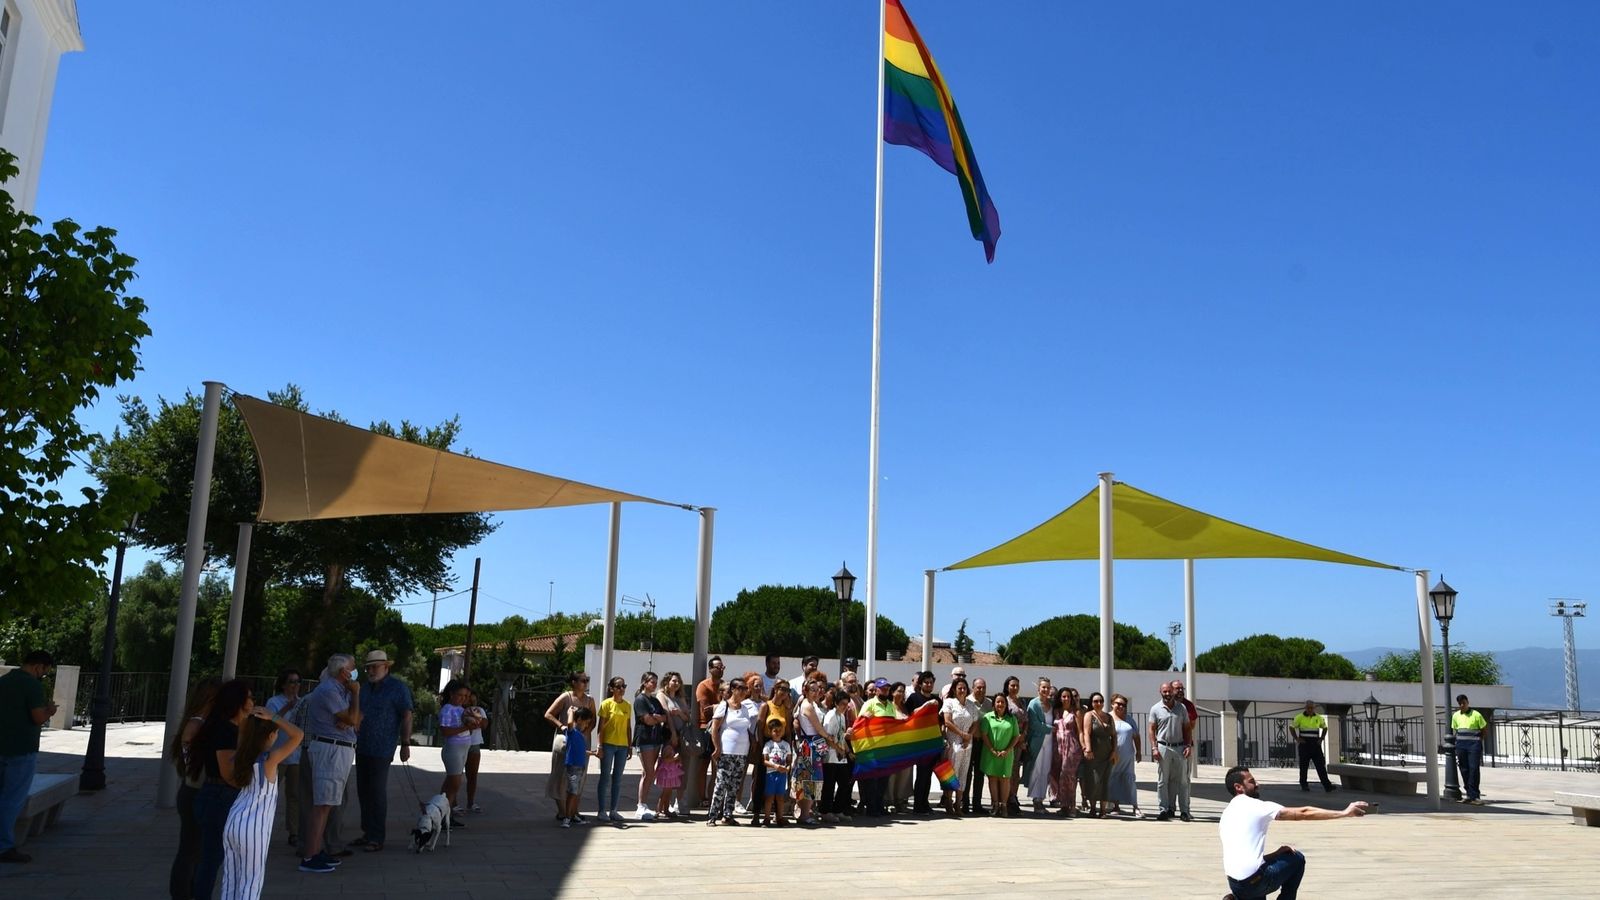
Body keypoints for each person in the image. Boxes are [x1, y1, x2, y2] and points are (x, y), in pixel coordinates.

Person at [1219, 766, 1368, 899]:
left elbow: (1243, 858)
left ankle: (1237, 897)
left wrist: (1276, 854)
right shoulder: (1255, 806)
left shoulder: (1226, 814)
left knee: (1258, 881)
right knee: (1296, 858)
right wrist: (1344, 813)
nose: (1258, 784)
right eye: (1252, 781)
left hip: (1235, 883)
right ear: (1238, 787)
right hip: (1255, 883)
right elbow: (1303, 812)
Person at [220, 703, 303, 899]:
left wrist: (252, 720)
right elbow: (297, 735)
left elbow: (244, 734)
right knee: (251, 882)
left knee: (231, 879)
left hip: (232, 822)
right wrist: (274, 717)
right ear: (271, 736)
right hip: (253, 829)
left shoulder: (241, 756)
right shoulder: (269, 760)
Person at [188, 678, 254, 894]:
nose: (253, 701)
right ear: (239, 701)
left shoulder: (231, 727)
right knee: (211, 858)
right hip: (219, 796)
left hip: (218, 795)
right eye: (249, 697)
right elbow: (228, 773)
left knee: (211, 856)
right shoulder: (225, 730)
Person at [299, 653, 361, 874]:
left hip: (338, 749)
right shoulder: (328, 690)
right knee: (323, 805)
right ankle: (310, 855)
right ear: (343, 671)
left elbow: (355, 719)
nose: (355, 671)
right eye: (352, 668)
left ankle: (316, 850)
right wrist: (356, 695)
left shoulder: (338, 691)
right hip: (331, 750)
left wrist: (350, 717)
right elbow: (353, 719)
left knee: (327, 804)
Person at [351, 650, 412, 852]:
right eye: (368, 667)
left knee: (376, 792)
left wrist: (405, 743)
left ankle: (377, 837)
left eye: (375, 666)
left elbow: (407, 715)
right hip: (362, 747)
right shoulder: (365, 689)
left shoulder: (397, 688)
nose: (370, 670)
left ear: (386, 667)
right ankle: (367, 832)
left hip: (382, 748)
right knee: (363, 791)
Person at [0, 651, 58, 864]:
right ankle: (4, 846)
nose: (43, 675)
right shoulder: (32, 686)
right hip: (22, 749)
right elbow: (37, 717)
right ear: (38, 667)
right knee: (11, 800)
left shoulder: (4, 681)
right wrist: (50, 711)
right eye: (44, 671)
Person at [168, 677, 221, 897]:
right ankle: (182, 894)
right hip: (195, 791)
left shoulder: (199, 722)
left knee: (195, 850)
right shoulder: (198, 724)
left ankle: (189, 891)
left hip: (194, 790)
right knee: (190, 850)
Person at [543, 672, 595, 823]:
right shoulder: (566, 697)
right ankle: (562, 811)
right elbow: (548, 714)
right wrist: (563, 726)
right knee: (560, 776)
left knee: (580, 777)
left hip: (581, 742)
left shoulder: (590, 700)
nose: (585, 683)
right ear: (573, 682)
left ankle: (573, 812)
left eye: (587, 680)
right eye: (582, 680)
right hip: (564, 741)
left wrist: (585, 732)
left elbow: (593, 720)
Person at [707, 677, 759, 826]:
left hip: (741, 751)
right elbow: (715, 729)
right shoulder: (724, 706)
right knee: (722, 783)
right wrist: (717, 748)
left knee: (734, 784)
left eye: (745, 689)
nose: (744, 692)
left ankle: (728, 814)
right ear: (733, 690)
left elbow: (747, 728)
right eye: (741, 688)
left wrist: (752, 741)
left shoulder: (744, 708)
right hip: (727, 750)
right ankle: (713, 815)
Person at [262, 671, 302, 850]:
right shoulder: (273, 702)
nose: (295, 685)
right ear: (283, 684)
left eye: (298, 682)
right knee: (268, 794)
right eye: (291, 681)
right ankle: (262, 828)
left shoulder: (302, 703)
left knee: (294, 795)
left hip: (295, 755)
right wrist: (287, 707)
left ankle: (294, 832)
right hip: (276, 755)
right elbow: (269, 724)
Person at [855, 678, 901, 817]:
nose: (885, 690)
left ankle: (879, 806)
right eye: (882, 688)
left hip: (886, 748)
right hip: (873, 748)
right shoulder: (869, 704)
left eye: (887, 688)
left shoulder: (891, 706)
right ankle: (871, 807)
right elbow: (859, 723)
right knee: (872, 780)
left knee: (883, 780)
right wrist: (866, 718)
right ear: (876, 690)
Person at [1149, 681, 1194, 822]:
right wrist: (1154, 747)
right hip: (1163, 747)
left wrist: (1188, 745)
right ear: (1160, 692)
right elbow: (1151, 729)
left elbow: (1187, 728)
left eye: (1169, 691)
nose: (1167, 694)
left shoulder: (1181, 708)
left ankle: (1185, 811)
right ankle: (1164, 809)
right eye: (1165, 692)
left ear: (1173, 692)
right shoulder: (1155, 709)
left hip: (1180, 747)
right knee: (1163, 780)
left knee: (1182, 781)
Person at [595, 675, 634, 823]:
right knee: (605, 777)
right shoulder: (606, 704)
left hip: (623, 745)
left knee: (617, 779)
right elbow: (601, 728)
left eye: (624, 686)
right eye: (618, 686)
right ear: (612, 688)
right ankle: (601, 810)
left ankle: (614, 810)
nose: (622, 689)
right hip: (608, 744)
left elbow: (628, 728)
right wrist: (600, 745)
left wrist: (630, 746)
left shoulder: (627, 705)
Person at [436, 681, 475, 829]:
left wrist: (472, 724)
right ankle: (444, 815)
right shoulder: (447, 709)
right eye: (460, 695)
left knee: (451, 784)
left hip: (463, 748)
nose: (463, 699)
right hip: (453, 748)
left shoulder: (461, 709)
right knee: (454, 783)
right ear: (451, 694)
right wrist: (465, 727)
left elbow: (467, 728)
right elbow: (445, 731)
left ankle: (445, 814)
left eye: (466, 696)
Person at [791, 678, 829, 825]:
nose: (816, 692)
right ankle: (804, 814)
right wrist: (829, 737)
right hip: (811, 743)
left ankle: (806, 813)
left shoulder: (808, 702)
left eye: (817, 689)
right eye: (812, 690)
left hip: (814, 743)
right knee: (809, 780)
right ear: (805, 691)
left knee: (811, 779)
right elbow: (818, 727)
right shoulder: (807, 705)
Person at [632, 672, 669, 820]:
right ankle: (640, 805)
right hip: (645, 739)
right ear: (644, 683)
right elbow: (647, 720)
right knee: (648, 772)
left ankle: (644, 803)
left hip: (655, 739)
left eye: (655, 682)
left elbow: (664, 717)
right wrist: (656, 718)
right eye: (651, 681)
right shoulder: (640, 700)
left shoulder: (654, 700)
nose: (654, 684)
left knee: (648, 772)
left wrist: (657, 718)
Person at [940, 677, 980, 815]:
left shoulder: (971, 705)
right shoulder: (949, 702)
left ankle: (959, 803)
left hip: (967, 743)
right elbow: (947, 722)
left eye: (964, 688)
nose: (962, 691)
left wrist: (969, 735)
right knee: (952, 774)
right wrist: (962, 734)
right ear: (954, 690)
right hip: (954, 742)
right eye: (959, 688)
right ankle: (949, 802)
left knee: (963, 773)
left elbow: (975, 722)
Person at [978, 693, 1021, 817]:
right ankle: (995, 804)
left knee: (1005, 779)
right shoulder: (988, 717)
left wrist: (1007, 750)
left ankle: (1004, 806)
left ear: (1006, 704)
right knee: (992, 778)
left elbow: (1016, 736)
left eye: (1002, 702)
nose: (1000, 704)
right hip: (991, 753)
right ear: (994, 704)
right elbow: (984, 734)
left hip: (1006, 754)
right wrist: (992, 749)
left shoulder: (1012, 718)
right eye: (998, 702)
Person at [905, 670, 941, 814]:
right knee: (921, 775)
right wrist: (925, 706)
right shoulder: (914, 697)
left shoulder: (937, 699)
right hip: (918, 742)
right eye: (926, 682)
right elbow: (908, 716)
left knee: (928, 775)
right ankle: (917, 805)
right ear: (920, 684)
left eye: (931, 682)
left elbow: (940, 721)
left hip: (932, 742)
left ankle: (925, 803)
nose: (929, 684)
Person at [692, 657, 725, 806]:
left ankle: (714, 797)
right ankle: (702, 798)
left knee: (717, 766)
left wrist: (717, 707)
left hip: (722, 728)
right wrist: (722, 706)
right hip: (706, 728)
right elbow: (705, 711)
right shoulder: (703, 686)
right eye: (717, 667)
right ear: (710, 669)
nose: (720, 670)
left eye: (722, 667)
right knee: (704, 764)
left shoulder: (725, 686)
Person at [654, 672, 688, 819]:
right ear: (667, 681)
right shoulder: (661, 695)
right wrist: (673, 733)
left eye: (678, 681)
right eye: (673, 681)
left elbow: (687, 717)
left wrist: (680, 713)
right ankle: (661, 808)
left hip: (682, 736)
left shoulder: (680, 698)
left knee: (676, 774)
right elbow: (666, 714)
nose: (676, 683)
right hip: (668, 736)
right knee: (667, 774)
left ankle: (667, 807)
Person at [558, 708, 598, 827]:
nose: (586, 725)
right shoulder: (571, 731)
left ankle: (572, 814)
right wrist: (570, 712)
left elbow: (580, 750)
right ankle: (567, 818)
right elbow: (569, 723)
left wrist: (592, 753)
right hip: (573, 767)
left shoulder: (580, 735)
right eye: (586, 722)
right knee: (572, 792)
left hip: (580, 767)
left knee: (575, 792)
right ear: (579, 719)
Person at [819, 687, 855, 823]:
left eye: (847, 704)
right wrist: (838, 749)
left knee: (845, 782)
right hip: (830, 756)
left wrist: (848, 752)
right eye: (842, 704)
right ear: (836, 703)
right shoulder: (831, 716)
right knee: (829, 785)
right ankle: (825, 811)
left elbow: (841, 736)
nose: (845, 707)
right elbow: (828, 737)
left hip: (840, 757)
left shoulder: (841, 716)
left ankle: (837, 809)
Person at [1080, 691, 1116, 817]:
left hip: (1107, 754)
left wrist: (1114, 751)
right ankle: (1093, 808)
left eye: (1100, 701)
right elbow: (1086, 733)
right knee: (1093, 781)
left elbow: (1114, 736)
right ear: (1091, 703)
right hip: (1094, 754)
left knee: (1105, 781)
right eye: (1095, 701)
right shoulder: (1089, 715)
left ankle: (1103, 810)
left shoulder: (1109, 717)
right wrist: (1088, 749)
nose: (1098, 703)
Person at [1024, 677, 1056, 811]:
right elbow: (1035, 724)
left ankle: (1041, 798)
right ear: (1038, 689)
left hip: (1050, 743)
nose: (1046, 690)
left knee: (1046, 770)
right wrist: (1050, 729)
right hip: (1037, 742)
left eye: (1048, 687)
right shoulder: (1033, 704)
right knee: (1036, 770)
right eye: (1043, 687)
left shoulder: (1052, 704)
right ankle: (1035, 799)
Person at [1108, 693, 1142, 817]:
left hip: (1128, 755)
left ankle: (1135, 806)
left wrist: (1139, 751)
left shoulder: (1129, 719)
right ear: (1112, 704)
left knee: (1129, 780)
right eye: (1118, 704)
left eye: (1123, 704)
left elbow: (1136, 736)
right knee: (1113, 779)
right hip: (1113, 755)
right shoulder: (1108, 717)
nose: (1121, 706)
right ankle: (1116, 806)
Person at [1052, 686, 1083, 817]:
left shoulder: (1076, 712)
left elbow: (1081, 731)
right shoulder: (1057, 711)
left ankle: (1072, 806)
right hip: (1058, 747)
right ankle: (1064, 805)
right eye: (1064, 696)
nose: (1066, 699)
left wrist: (1085, 747)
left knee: (1068, 776)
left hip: (1071, 747)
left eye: (1068, 697)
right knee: (1059, 775)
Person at [1451, 694, 1489, 804]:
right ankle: (1468, 793)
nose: (1462, 705)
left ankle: (1475, 795)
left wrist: (1478, 740)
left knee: (1474, 769)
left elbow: (1484, 730)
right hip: (1461, 746)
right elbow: (1456, 730)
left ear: (1468, 702)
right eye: (1460, 704)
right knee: (1464, 769)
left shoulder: (1476, 715)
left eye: (1464, 703)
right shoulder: (1456, 716)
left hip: (1474, 745)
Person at [1292, 701, 1334, 793]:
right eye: (1308, 708)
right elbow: (1292, 727)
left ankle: (1327, 786)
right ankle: (1304, 785)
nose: (1310, 709)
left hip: (1315, 744)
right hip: (1304, 744)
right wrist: (1297, 738)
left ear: (1314, 708)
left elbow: (1325, 727)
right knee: (1304, 766)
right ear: (1305, 708)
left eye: (1312, 708)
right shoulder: (1299, 717)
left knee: (1320, 766)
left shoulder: (1318, 717)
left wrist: (1321, 738)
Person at [759, 718, 794, 826]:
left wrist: (787, 768)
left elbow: (789, 760)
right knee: (769, 797)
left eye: (780, 730)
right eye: (775, 730)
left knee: (780, 797)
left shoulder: (786, 745)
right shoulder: (768, 745)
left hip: (782, 774)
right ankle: (767, 818)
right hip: (771, 773)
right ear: (770, 732)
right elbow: (764, 760)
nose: (778, 733)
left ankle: (780, 817)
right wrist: (774, 765)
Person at [966, 677, 992, 814]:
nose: (981, 690)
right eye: (978, 687)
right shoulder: (967, 701)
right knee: (967, 773)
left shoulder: (989, 703)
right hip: (969, 741)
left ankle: (977, 804)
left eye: (983, 687)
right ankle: (964, 803)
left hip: (983, 743)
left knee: (980, 774)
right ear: (973, 688)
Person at [1001, 675, 1027, 814]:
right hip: (1008, 740)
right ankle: (1005, 799)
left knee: (1016, 771)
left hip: (1020, 741)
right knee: (1008, 770)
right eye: (1012, 685)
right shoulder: (1004, 701)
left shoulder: (1022, 702)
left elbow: (1026, 720)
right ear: (1007, 686)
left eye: (1017, 685)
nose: (1015, 688)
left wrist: (1023, 735)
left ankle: (1013, 797)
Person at [463, 688, 487, 813]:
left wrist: (474, 716)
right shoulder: (460, 710)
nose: (472, 701)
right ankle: (453, 803)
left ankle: (470, 802)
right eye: (469, 699)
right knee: (455, 775)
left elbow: (484, 724)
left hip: (474, 744)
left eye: (474, 699)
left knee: (472, 775)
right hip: (460, 743)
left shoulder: (480, 710)